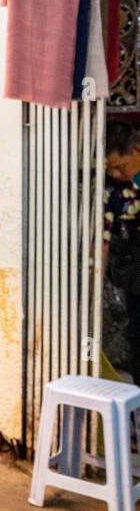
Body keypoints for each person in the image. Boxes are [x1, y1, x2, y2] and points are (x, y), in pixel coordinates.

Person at [104, 120, 140, 374]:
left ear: (137, 150)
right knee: (137, 335)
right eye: (112, 169)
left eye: (121, 166)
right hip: (133, 272)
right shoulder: (113, 189)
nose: (117, 174)